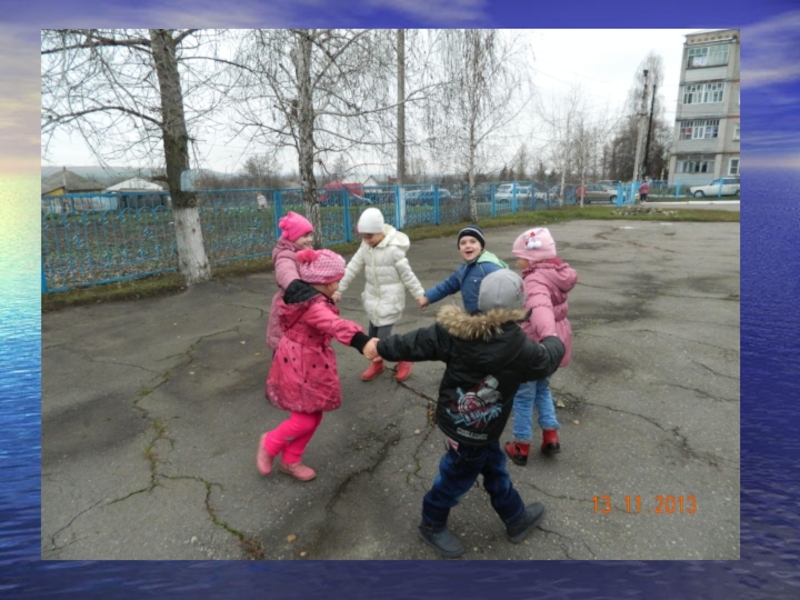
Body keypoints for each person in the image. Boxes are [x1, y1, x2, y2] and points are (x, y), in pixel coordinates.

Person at [363, 269, 566, 558]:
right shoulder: (521, 347)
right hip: (471, 432)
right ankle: (431, 523)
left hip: (470, 426)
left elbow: (415, 342)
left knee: (493, 467)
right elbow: (547, 359)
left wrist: (381, 346)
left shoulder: (453, 330)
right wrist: (554, 339)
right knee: (455, 478)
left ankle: (515, 516)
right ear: (519, 306)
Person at [258, 248, 372, 482]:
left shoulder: (308, 298)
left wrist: (327, 301)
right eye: (337, 281)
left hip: (309, 362)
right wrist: (362, 341)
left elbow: (323, 312)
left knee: (313, 416)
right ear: (325, 283)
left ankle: (291, 460)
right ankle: (269, 443)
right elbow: (333, 324)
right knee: (303, 420)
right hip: (299, 364)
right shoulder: (311, 308)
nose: (338, 285)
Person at [504, 227, 577, 465]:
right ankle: (550, 435)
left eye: (520, 256)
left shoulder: (534, 280)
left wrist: (548, 338)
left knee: (523, 397)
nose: (517, 261)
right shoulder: (556, 273)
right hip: (553, 346)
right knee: (543, 390)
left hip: (536, 348)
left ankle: (521, 445)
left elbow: (540, 309)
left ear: (533, 258)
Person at [332, 207, 426, 382]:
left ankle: (404, 358)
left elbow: (408, 275)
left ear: (380, 231)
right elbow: (351, 268)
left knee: (382, 340)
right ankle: (378, 363)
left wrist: (420, 294)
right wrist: (338, 290)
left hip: (390, 300)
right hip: (373, 300)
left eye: (370, 237)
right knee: (372, 336)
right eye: (363, 237)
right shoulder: (365, 247)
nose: (366, 241)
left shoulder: (394, 250)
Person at [417, 225, 507, 314]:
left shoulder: (488, 266)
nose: (467, 246)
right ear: (459, 249)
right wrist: (428, 298)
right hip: (472, 318)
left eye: (473, 242)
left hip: (491, 318)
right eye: (463, 243)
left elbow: (506, 285)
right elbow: (448, 285)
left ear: (481, 246)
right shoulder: (463, 269)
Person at [266, 211, 315, 352]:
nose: (310, 239)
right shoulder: (285, 256)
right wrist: (296, 286)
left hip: (305, 304)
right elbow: (286, 273)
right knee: (284, 348)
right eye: (305, 236)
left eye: (310, 235)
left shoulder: (306, 251)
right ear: (293, 236)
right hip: (289, 307)